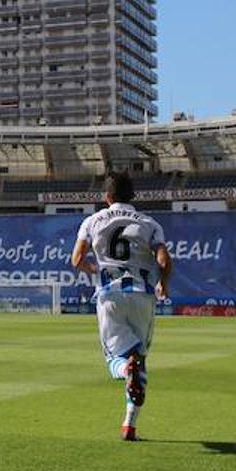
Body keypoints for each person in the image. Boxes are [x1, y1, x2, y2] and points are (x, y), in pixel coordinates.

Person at [70, 171, 172, 442]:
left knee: (115, 359)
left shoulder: (92, 221)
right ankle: (129, 425)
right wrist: (163, 284)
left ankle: (126, 371)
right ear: (133, 196)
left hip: (110, 295)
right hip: (142, 295)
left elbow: (76, 259)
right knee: (140, 357)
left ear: (107, 196)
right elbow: (163, 261)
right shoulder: (150, 223)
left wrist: (96, 270)